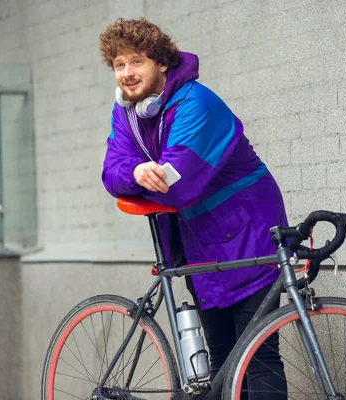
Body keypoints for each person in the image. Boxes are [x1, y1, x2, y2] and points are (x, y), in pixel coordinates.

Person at [99, 18, 287, 399]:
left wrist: (141, 177)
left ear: (162, 63)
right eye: (120, 65)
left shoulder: (197, 104)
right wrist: (137, 169)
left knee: (258, 355)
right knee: (220, 359)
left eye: (137, 62)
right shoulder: (128, 113)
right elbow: (111, 171)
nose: (127, 74)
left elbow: (175, 184)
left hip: (248, 234)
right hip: (198, 241)